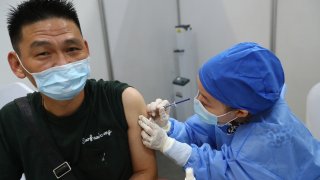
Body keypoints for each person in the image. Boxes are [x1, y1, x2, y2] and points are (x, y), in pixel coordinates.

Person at [0, 0, 157, 179]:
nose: (63, 63)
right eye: (44, 53)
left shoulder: (123, 101)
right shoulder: (12, 120)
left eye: (72, 49)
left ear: (86, 48)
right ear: (17, 64)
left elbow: (145, 172)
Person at [138, 42, 320, 180]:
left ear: (240, 112)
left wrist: (167, 145)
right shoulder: (238, 107)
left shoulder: (263, 143)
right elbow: (198, 132)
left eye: (206, 100)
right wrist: (168, 127)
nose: (197, 101)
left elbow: (223, 171)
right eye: (199, 92)